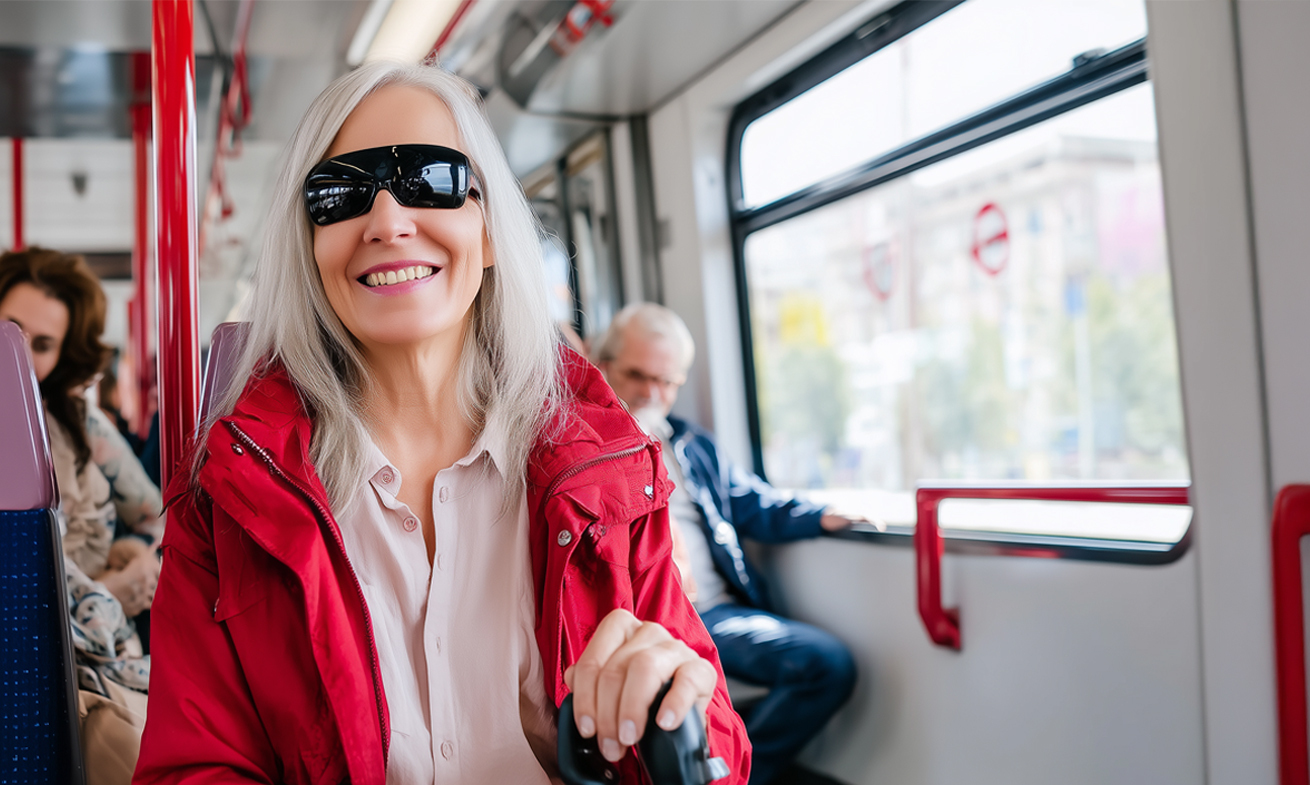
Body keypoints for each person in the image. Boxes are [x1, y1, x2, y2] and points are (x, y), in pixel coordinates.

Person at [133, 63, 749, 785]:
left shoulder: (605, 468)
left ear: (488, 228)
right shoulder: (226, 499)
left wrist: (670, 717)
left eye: (432, 178)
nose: (388, 221)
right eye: (340, 194)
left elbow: (719, 756)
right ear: (309, 246)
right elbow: (197, 766)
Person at [594, 303, 865, 785]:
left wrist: (819, 516)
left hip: (712, 612)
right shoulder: (586, 451)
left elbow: (750, 502)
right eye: (638, 376)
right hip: (635, 615)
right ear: (605, 365)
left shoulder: (691, 446)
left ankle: (735, 776)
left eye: (668, 382)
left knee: (827, 664)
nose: (653, 394)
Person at [0, 247, 164, 783]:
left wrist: (137, 556)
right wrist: (112, 590)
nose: (20, 354)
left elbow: (154, 513)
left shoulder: (81, 426)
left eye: (41, 345)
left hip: (99, 644)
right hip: (31, 653)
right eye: (10, 331)